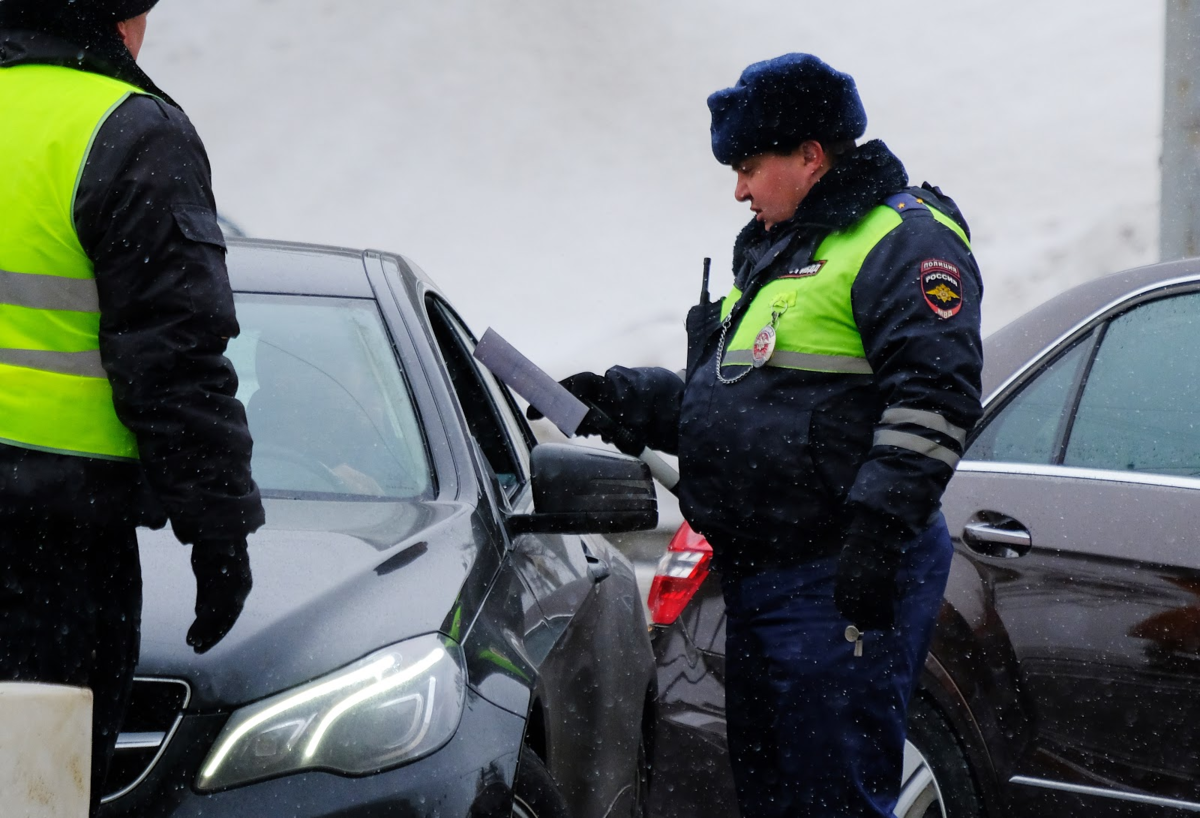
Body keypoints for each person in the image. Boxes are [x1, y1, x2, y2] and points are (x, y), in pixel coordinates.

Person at [535, 54, 983, 816]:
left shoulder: (899, 240)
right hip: (767, 580)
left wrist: (876, 535)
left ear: (811, 156)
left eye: (749, 166)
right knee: (776, 795)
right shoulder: (783, 253)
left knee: (830, 796)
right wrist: (634, 402)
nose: (738, 188)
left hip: (838, 575)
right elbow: (760, 411)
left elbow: (935, 396)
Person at [0, 1, 264, 812]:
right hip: (52, 551)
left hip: (48, 537)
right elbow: (174, 359)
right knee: (36, 785)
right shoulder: (126, 131)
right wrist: (217, 530)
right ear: (123, 16)